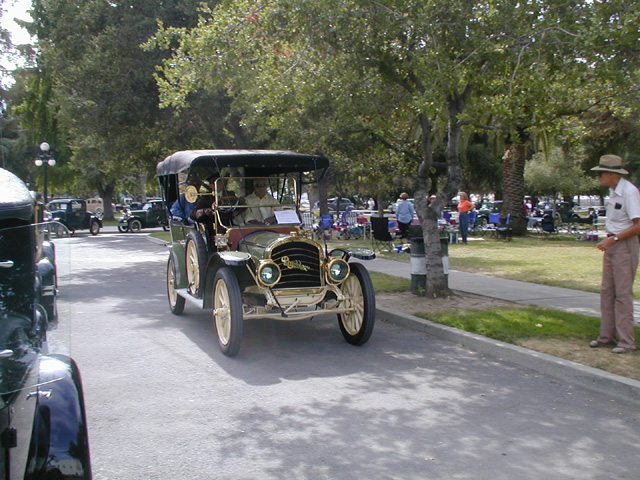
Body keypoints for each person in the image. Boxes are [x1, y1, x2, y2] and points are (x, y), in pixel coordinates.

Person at [589, 154, 640, 354]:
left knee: (623, 294)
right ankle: (606, 336)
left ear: (611, 174)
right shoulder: (613, 193)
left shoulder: (629, 192)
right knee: (607, 292)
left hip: (624, 244)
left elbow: (638, 224)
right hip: (612, 244)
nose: (599, 178)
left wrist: (615, 239)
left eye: (601, 174)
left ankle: (627, 341)